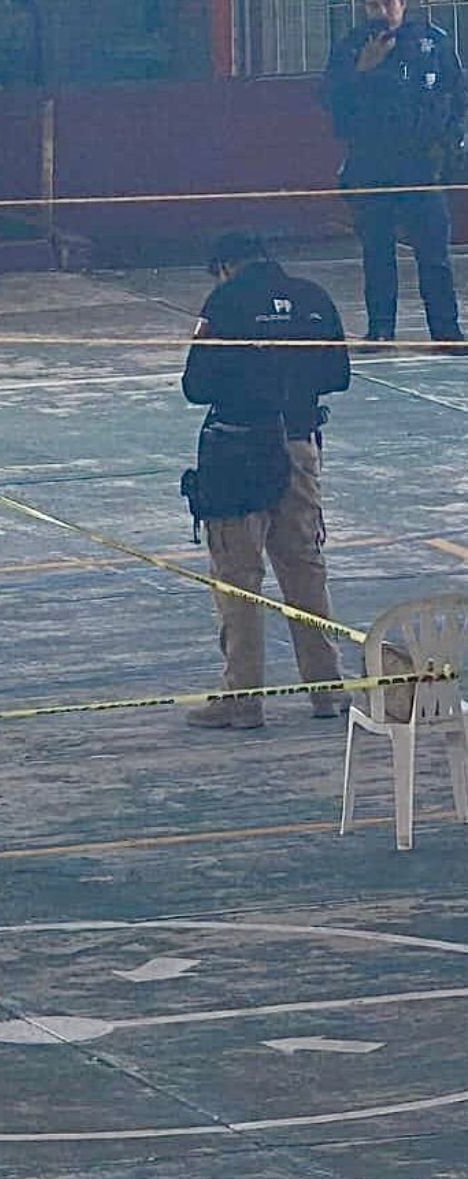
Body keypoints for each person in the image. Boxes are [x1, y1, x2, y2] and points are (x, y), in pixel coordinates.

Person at [180, 232, 353, 730]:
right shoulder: (313, 297)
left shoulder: (225, 301)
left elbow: (197, 386)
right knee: (304, 566)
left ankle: (244, 697)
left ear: (224, 266)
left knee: (239, 578)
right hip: (299, 441)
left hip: (238, 448)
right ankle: (327, 689)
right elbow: (337, 374)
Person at [321, 0, 467, 343]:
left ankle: (446, 329)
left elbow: (456, 92)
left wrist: (450, 142)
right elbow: (332, 101)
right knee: (377, 251)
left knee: (434, 253)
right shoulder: (351, 46)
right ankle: (381, 329)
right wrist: (362, 70)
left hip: (421, 164)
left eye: (388, 3)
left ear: (402, 4)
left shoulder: (430, 40)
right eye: (373, 4)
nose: (382, 11)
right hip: (371, 162)